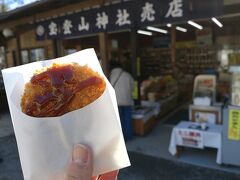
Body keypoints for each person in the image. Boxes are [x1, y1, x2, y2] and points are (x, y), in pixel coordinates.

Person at [109, 60, 134, 141]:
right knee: (128, 120)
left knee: (119, 121)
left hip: (116, 102)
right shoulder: (127, 75)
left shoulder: (110, 75)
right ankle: (129, 136)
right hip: (127, 101)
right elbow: (133, 88)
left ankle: (121, 138)